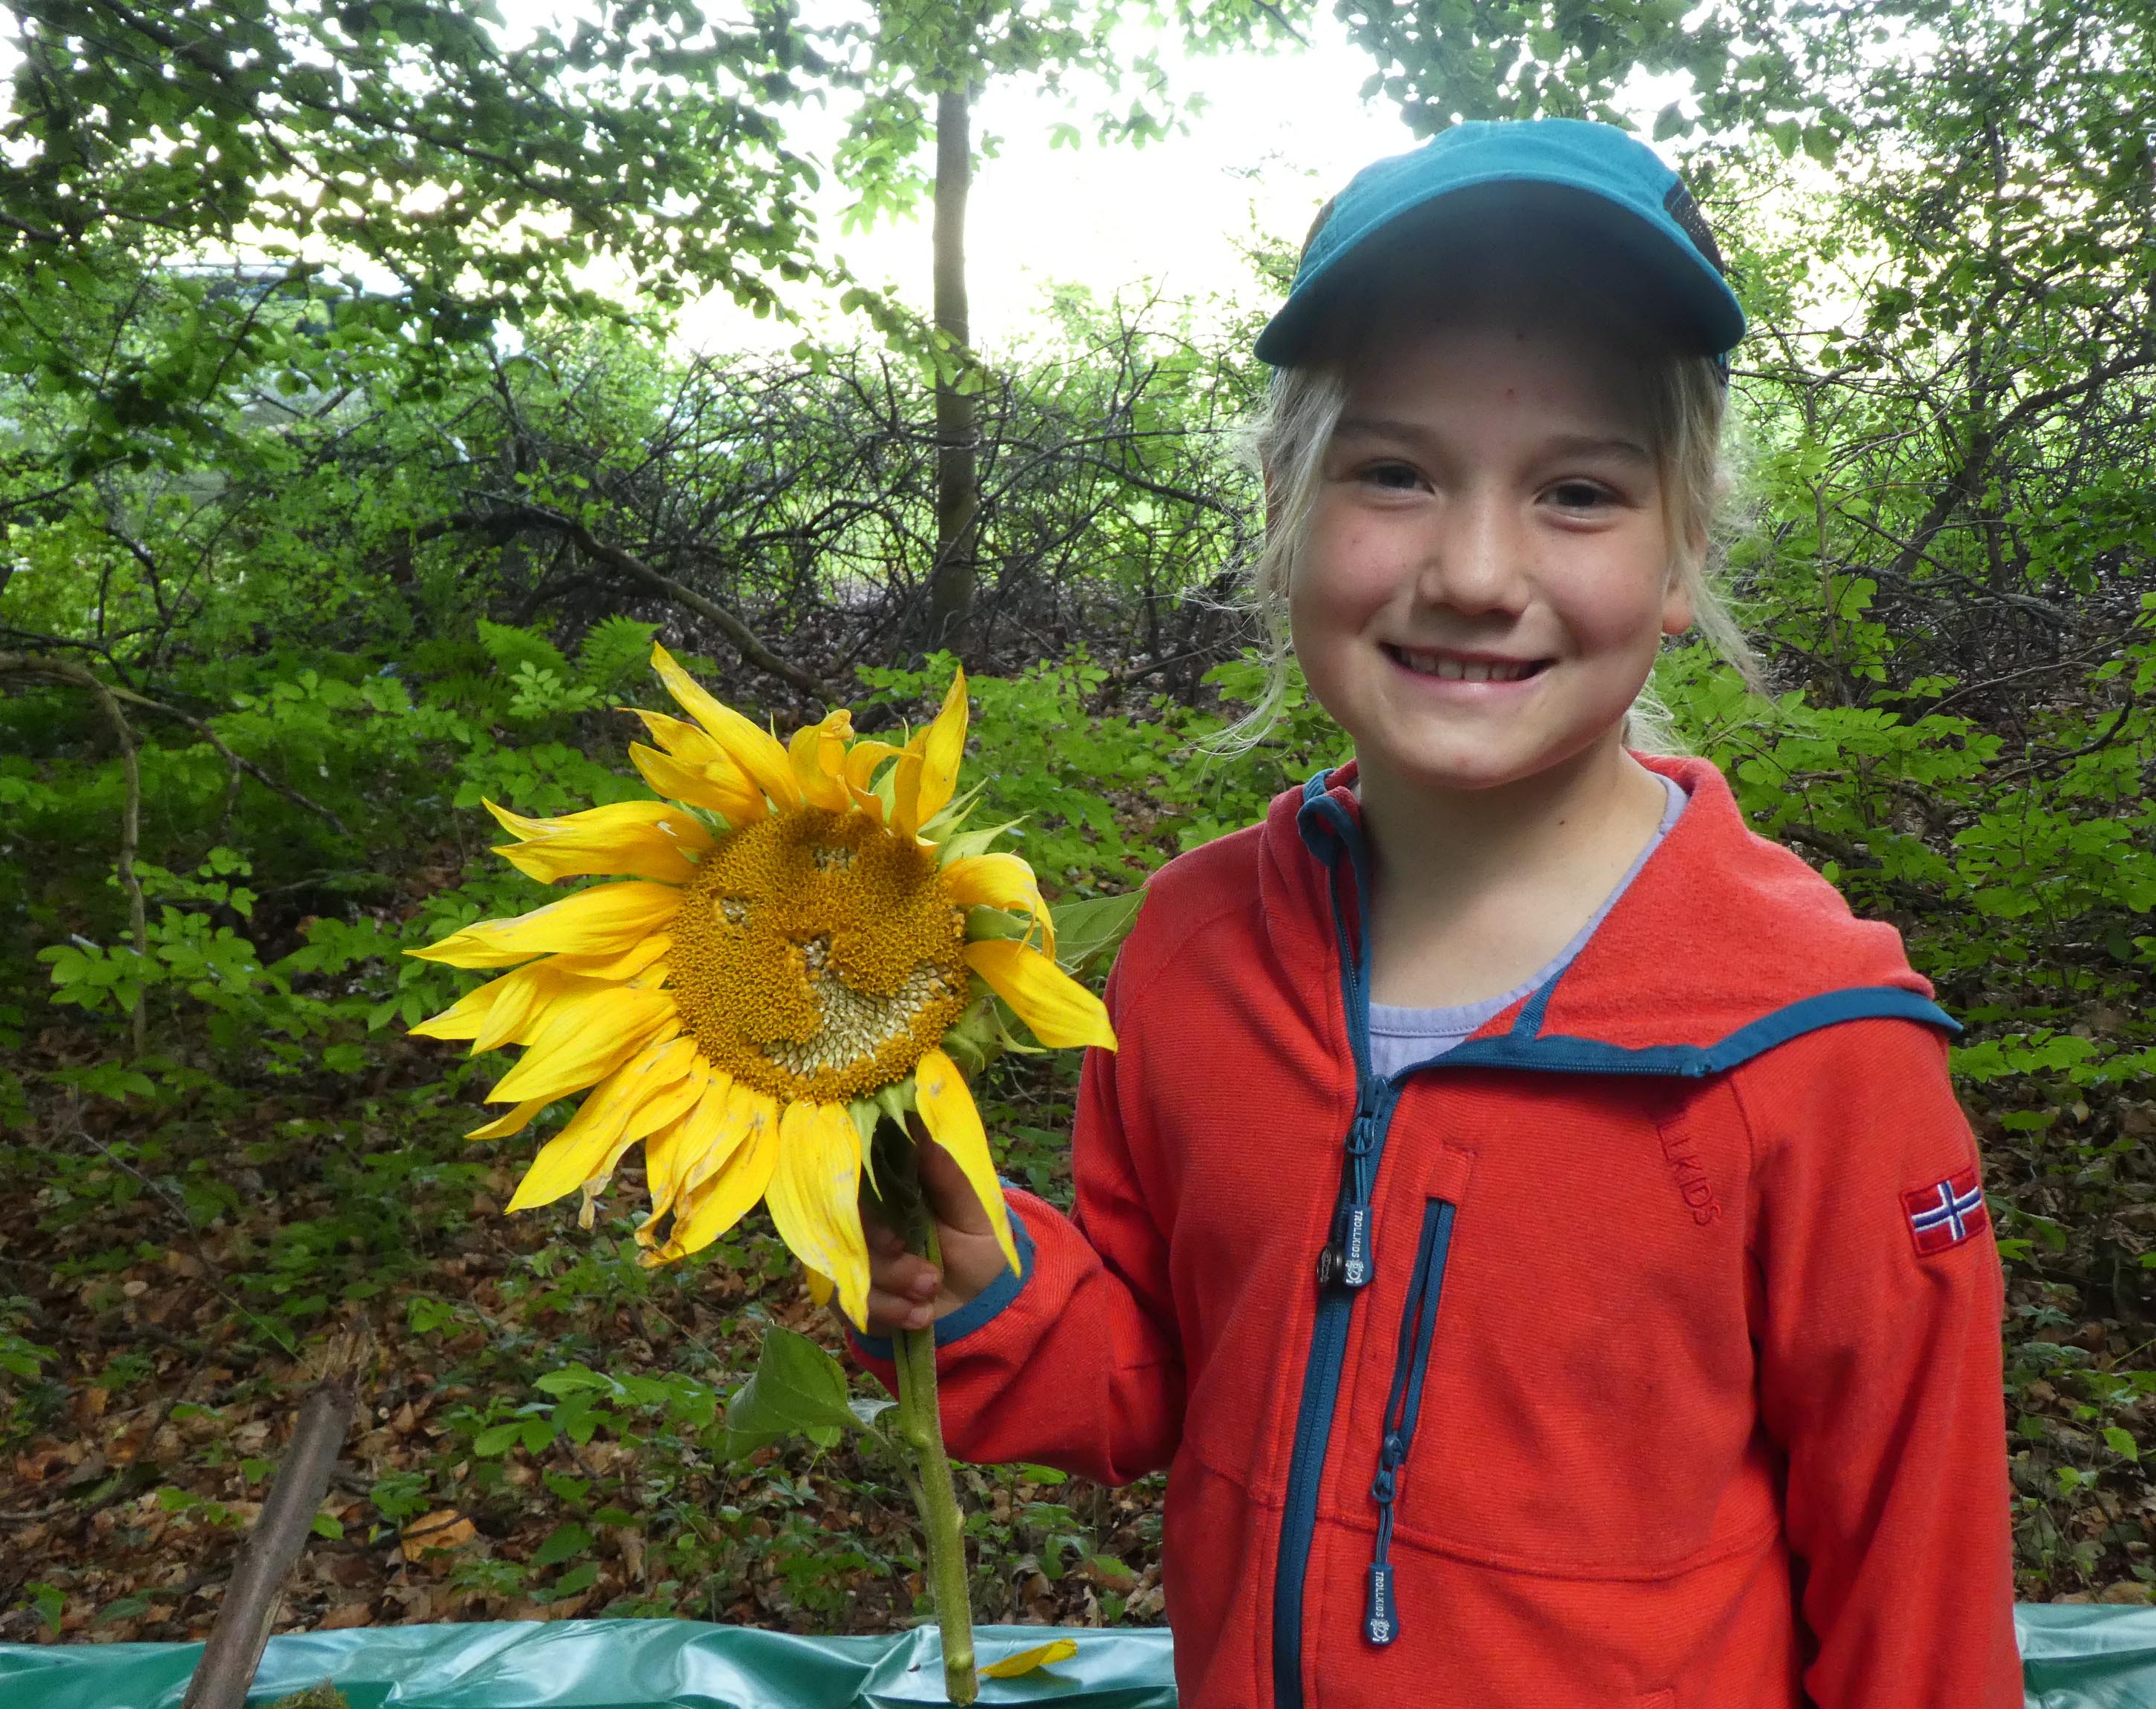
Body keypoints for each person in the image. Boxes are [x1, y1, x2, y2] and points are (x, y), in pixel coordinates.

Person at [856, 117, 2022, 1709]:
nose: (1476, 570)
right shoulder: (1195, 955)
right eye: (1394, 474)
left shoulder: (1812, 1046)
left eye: (1581, 492)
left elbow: (1921, 1601)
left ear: (1685, 552)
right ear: (1284, 506)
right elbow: (1166, 1378)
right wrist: (993, 1291)